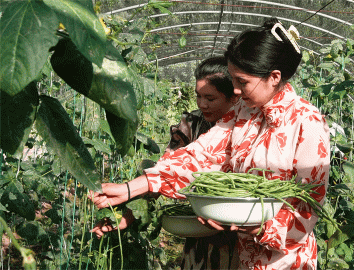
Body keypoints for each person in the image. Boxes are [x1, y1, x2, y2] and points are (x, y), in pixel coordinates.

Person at [92, 18, 330, 270]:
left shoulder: (307, 122)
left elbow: (307, 205)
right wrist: (132, 188)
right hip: (243, 256)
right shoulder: (244, 113)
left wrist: (254, 225)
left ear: (274, 76)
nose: (235, 90)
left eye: (242, 81)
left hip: (286, 260)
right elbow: (201, 155)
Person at [91, 56, 240, 269]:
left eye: (211, 97)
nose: (202, 104)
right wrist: (127, 215)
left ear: (233, 97)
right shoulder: (192, 123)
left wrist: (128, 190)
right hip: (198, 230)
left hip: (238, 234)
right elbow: (166, 170)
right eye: (198, 96)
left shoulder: (245, 130)